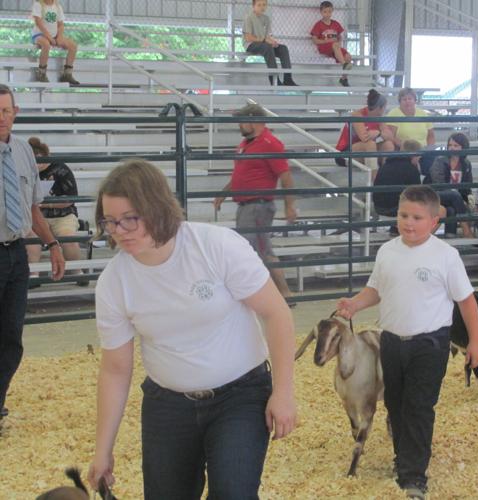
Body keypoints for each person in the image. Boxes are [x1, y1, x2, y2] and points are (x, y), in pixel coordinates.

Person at [87, 159, 296, 499]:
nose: (119, 230)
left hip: (240, 396)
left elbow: (276, 314)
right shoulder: (114, 282)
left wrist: (283, 392)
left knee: (233, 492)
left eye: (130, 219)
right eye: (110, 222)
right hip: (167, 404)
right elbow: (115, 370)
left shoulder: (216, 245)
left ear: (156, 209)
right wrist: (102, 449)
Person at [337, 185, 478, 499]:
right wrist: (355, 304)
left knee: (419, 406)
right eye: (404, 215)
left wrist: (476, 342)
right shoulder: (388, 251)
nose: (409, 222)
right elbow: (376, 289)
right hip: (390, 342)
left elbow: (467, 301)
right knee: (396, 404)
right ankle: (404, 458)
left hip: (429, 345)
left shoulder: (446, 256)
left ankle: (414, 474)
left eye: (417, 217)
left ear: (434, 221)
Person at [0, 84, 65, 424]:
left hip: (16, 253)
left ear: (15, 112)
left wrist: (52, 244)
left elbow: (33, 208)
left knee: (11, 335)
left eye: (6, 111)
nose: (1, 118)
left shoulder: (24, 151)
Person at [213, 104, 297, 300]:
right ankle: (281, 293)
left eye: (243, 121)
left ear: (254, 121)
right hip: (247, 205)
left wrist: (290, 205)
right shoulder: (246, 144)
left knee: (257, 251)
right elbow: (241, 174)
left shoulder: (270, 143)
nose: (239, 125)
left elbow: (285, 176)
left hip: (257, 205)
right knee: (260, 250)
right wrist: (224, 193)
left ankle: (279, 292)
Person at [25, 137, 87, 286]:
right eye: (34, 161)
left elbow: (70, 199)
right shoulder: (26, 171)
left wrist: (44, 205)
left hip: (63, 215)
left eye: (40, 160)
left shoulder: (61, 169)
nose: (37, 165)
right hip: (36, 216)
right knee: (32, 240)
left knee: (68, 239)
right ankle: (34, 275)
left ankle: (77, 271)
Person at [425, 132, 475, 238]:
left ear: (463, 147)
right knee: (454, 196)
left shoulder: (466, 163)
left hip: (453, 200)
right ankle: (466, 228)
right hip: (433, 195)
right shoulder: (440, 160)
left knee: (451, 209)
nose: (452, 148)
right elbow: (439, 185)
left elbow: (467, 186)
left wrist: (466, 199)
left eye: (456, 146)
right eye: (450, 145)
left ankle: (450, 235)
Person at [335, 89, 394, 171]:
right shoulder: (357, 115)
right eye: (385, 107)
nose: (385, 110)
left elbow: (390, 136)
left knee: (388, 145)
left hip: (365, 152)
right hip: (344, 154)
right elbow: (365, 138)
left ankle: (385, 176)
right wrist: (380, 134)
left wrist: (379, 133)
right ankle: (374, 180)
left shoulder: (379, 117)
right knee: (370, 144)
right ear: (380, 108)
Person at [244, 0, 298, 86]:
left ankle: (288, 79)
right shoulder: (249, 18)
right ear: (253, 6)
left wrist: (273, 42)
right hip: (251, 45)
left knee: (283, 48)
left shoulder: (266, 19)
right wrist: (265, 40)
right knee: (267, 47)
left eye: (264, 5)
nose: (262, 7)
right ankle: (274, 80)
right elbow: (248, 38)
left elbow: (268, 36)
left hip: (264, 44)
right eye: (259, 5)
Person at [372, 139, 422, 226]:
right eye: (419, 157)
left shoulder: (385, 165)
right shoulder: (411, 169)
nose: (419, 159)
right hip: (396, 208)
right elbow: (418, 194)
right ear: (415, 155)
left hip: (378, 206)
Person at [31, 0, 79, 84]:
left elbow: (60, 24)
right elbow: (38, 23)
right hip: (40, 34)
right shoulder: (38, 4)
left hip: (54, 36)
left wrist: (59, 37)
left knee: (73, 46)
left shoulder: (57, 6)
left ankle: (67, 74)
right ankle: (41, 73)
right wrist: (50, 38)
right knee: (46, 45)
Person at [310, 1, 353, 87]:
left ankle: (343, 79)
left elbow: (339, 36)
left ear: (332, 11)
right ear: (321, 12)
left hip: (335, 48)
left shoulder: (335, 23)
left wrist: (339, 41)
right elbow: (315, 40)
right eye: (325, 12)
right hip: (324, 47)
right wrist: (328, 41)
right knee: (334, 45)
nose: (327, 14)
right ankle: (344, 64)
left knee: (348, 57)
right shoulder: (319, 25)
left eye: (329, 11)